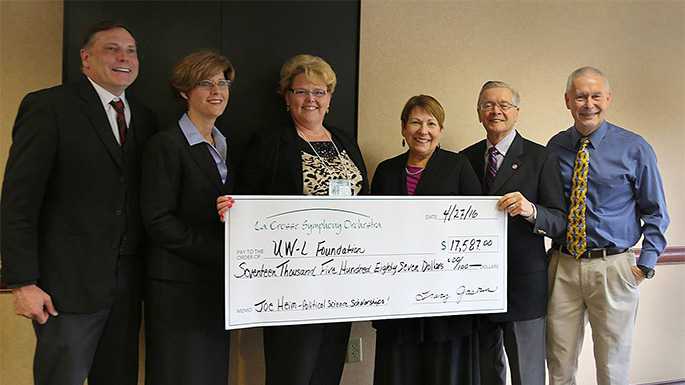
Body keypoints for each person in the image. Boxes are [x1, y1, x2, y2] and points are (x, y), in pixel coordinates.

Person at [0, 21, 158, 384]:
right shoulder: (49, 106)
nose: (124, 57)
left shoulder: (146, 117)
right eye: (112, 49)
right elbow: (18, 200)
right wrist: (22, 282)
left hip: (128, 285)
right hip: (65, 287)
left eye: (131, 51)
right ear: (85, 59)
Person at [219, 53, 368, 385]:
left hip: (342, 281)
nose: (311, 99)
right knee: (293, 371)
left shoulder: (345, 141)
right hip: (292, 283)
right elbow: (247, 203)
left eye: (320, 92)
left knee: (328, 369)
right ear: (286, 97)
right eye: (301, 91)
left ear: (330, 98)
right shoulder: (269, 142)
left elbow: (367, 204)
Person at [546, 67, 670, 385]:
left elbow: (656, 212)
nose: (589, 104)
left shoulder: (634, 147)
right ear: (567, 101)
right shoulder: (555, 147)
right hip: (562, 266)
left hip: (613, 267)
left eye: (596, 96)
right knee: (559, 363)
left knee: (613, 366)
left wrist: (646, 265)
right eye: (580, 96)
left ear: (608, 99)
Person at [460, 81, 566, 385]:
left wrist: (531, 210)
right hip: (474, 285)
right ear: (479, 113)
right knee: (483, 372)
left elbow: (560, 222)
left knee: (527, 374)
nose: (496, 111)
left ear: (516, 112)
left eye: (504, 105)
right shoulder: (463, 159)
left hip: (523, 285)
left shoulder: (540, 157)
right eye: (488, 105)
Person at [371, 94, 481, 385]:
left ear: (440, 130)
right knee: (398, 369)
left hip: (446, 292)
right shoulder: (385, 171)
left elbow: (477, 227)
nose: (423, 130)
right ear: (403, 128)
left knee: (444, 371)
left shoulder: (458, 167)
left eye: (431, 123)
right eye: (415, 122)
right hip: (397, 292)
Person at [140, 50, 235, 385]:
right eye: (205, 82)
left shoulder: (224, 144)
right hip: (177, 288)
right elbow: (158, 220)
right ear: (184, 92)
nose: (217, 90)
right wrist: (220, 252)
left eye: (222, 82)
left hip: (214, 288)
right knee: (179, 375)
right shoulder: (165, 145)